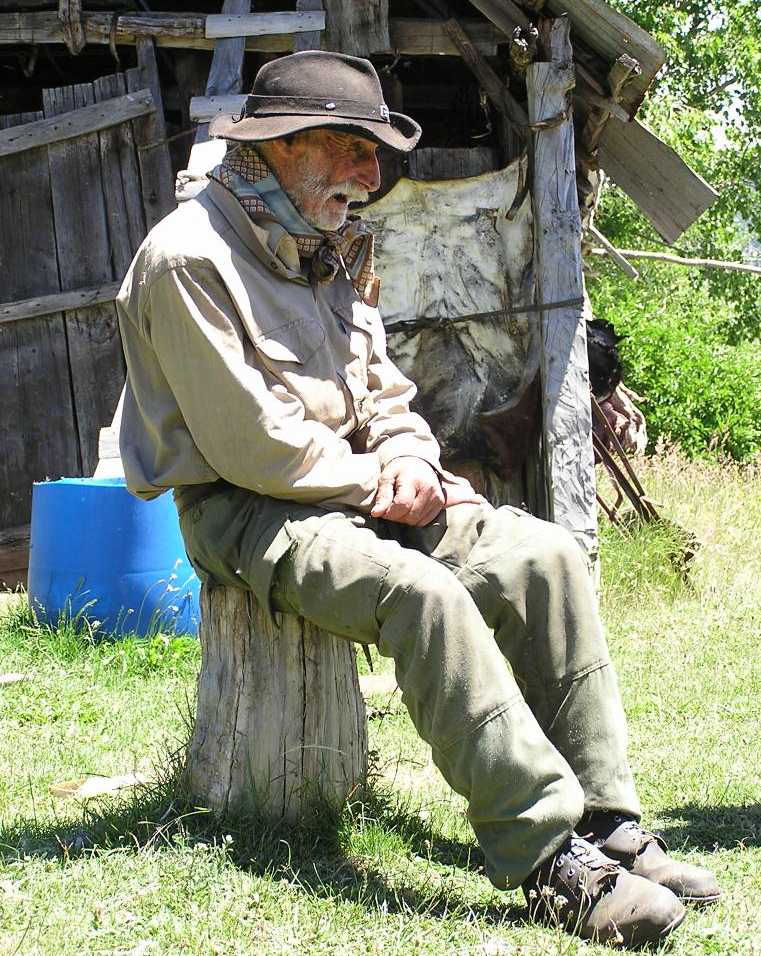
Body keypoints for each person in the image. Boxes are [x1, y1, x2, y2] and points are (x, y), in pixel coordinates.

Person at [116, 51, 719, 946]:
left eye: (373, 155)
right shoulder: (187, 258)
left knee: (543, 556)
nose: (372, 176)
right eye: (355, 150)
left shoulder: (327, 243)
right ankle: (548, 856)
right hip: (244, 508)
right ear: (287, 146)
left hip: (355, 487)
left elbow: (385, 391)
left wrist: (407, 457)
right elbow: (256, 447)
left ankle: (607, 821)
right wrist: (382, 481)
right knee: (424, 596)